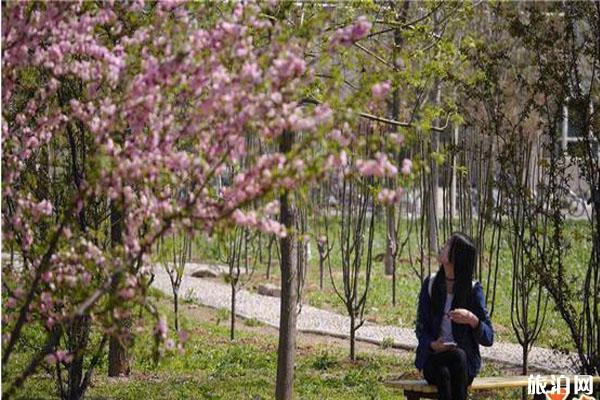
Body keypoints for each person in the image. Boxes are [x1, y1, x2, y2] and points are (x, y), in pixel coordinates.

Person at [414, 232, 494, 400]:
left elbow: (489, 337)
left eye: (449, 244)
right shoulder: (431, 284)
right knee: (446, 367)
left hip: (463, 366)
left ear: (458, 256)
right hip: (434, 359)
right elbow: (421, 327)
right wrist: (433, 344)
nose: (444, 246)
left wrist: (473, 320)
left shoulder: (472, 290)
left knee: (451, 366)